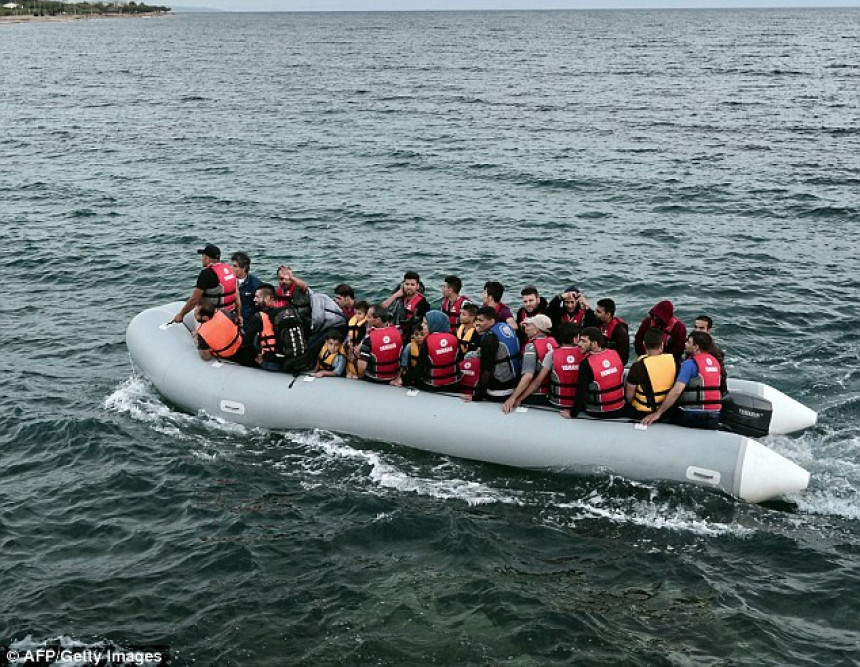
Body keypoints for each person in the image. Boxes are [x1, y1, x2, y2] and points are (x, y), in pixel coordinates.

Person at [640, 331, 723, 429]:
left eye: (688, 342)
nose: (685, 344)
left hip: (693, 415)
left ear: (696, 347)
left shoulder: (689, 364)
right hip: (715, 415)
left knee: (667, 415)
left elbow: (676, 391)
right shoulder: (715, 362)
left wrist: (658, 413)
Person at [173, 244, 241, 326]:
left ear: (207, 258)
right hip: (230, 314)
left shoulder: (206, 273)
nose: (201, 259)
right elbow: (237, 297)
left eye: (203, 256)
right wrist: (238, 315)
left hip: (213, 316)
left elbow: (194, 300)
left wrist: (181, 315)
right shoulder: (230, 269)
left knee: (197, 311)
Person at [502, 314, 557, 413]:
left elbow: (528, 376)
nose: (525, 327)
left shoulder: (531, 346)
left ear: (537, 329)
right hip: (549, 394)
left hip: (533, 395)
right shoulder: (553, 343)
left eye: (529, 325)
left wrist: (514, 397)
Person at [570, 327, 626, 419]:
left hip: (598, 411)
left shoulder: (586, 363)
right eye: (579, 340)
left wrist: (572, 414)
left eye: (584, 341)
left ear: (595, 344)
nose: (579, 344)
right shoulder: (614, 353)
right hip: (619, 408)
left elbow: (581, 392)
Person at [470, 306, 521, 402]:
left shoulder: (489, 340)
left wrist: (477, 396)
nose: (477, 323)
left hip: (498, 390)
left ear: (492, 321)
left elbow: (486, 370)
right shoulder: (506, 328)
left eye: (481, 320)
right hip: (514, 384)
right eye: (477, 320)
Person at [625, 328, 677, 419]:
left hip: (643, 412)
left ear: (644, 344)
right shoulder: (674, 362)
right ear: (662, 344)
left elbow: (629, 396)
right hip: (667, 411)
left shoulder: (637, 366)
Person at [399, 310, 459, 390]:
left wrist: (402, 380)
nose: (422, 325)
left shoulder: (427, 342)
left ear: (434, 324)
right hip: (454, 383)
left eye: (426, 323)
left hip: (432, 384)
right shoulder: (454, 338)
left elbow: (419, 368)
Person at [354, 304, 403, 384]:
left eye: (369, 317)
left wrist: (360, 376)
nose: (366, 319)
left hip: (374, 378)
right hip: (394, 376)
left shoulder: (369, 339)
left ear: (378, 320)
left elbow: (362, 366)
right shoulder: (399, 331)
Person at [192, 302, 254, 366]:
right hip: (244, 345)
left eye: (196, 314)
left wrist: (198, 343)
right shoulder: (224, 312)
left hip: (231, 356)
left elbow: (206, 357)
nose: (194, 314)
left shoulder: (202, 333)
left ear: (205, 317)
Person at [243, 283, 284, 372]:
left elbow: (246, 341)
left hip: (270, 360)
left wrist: (256, 356)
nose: (254, 299)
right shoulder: (284, 312)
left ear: (267, 298)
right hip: (285, 358)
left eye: (257, 297)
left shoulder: (259, 317)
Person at [634, 300, 686, 364]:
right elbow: (638, 340)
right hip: (648, 357)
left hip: (669, 361)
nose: (655, 318)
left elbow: (679, 349)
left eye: (658, 316)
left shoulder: (679, 327)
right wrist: (645, 356)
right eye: (654, 315)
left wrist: (662, 360)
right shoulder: (647, 322)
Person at [382, 271, 430, 339]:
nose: (409, 287)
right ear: (403, 285)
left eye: (412, 285)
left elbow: (426, 325)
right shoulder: (398, 298)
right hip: (395, 331)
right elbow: (381, 309)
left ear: (417, 286)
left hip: (412, 336)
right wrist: (395, 296)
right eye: (407, 284)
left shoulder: (423, 303)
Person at [693, 314, 728, 395]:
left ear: (709, 330)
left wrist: (723, 393)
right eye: (695, 327)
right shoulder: (690, 345)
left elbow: (722, 374)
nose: (697, 330)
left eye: (701, 328)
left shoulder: (715, 351)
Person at [231, 251, 261, 333]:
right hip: (231, 319)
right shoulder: (228, 282)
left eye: (235, 266)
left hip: (248, 323)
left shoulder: (255, 284)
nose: (231, 268)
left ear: (243, 268)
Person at [595, 298, 630, 365]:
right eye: (596, 310)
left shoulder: (620, 331)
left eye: (599, 312)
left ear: (608, 314)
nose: (595, 313)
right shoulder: (596, 322)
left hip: (612, 364)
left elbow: (623, 357)